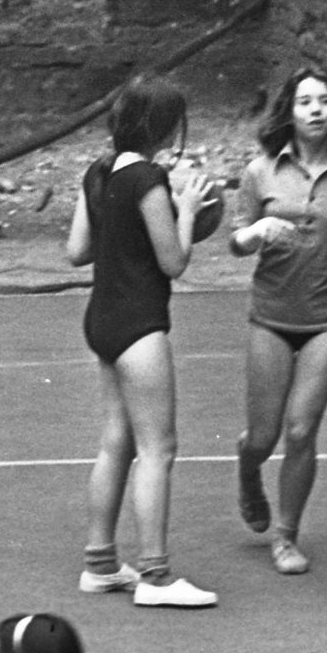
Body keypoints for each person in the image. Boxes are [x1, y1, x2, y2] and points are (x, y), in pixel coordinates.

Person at [69, 75, 218, 608]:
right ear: (165, 128)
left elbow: (76, 251)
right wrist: (189, 211)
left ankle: (100, 564)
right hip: (139, 323)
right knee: (160, 447)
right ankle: (155, 577)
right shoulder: (149, 180)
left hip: (101, 319)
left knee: (117, 441)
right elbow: (173, 262)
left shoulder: (98, 173)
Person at [228, 63, 327, 575]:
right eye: (305, 102)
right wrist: (258, 230)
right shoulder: (261, 171)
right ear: (289, 113)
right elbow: (235, 240)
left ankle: (287, 536)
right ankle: (248, 468)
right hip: (271, 313)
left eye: (324, 102)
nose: (316, 110)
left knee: (301, 431)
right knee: (264, 436)